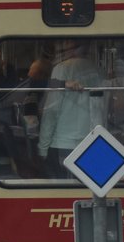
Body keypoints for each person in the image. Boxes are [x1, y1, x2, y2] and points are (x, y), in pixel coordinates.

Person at [38, 40, 104, 178]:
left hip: (64, 142)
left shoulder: (61, 69)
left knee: (64, 187)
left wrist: (43, 148)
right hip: (94, 141)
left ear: (69, 46)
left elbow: (52, 111)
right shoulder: (98, 70)